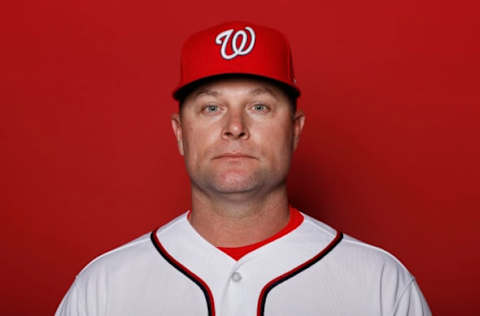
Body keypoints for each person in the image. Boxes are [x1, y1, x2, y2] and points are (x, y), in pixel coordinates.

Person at [56, 21, 431, 316]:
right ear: (180, 133)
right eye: (211, 107)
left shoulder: (380, 283)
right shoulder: (104, 286)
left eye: (259, 107)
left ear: (295, 131)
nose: (235, 126)